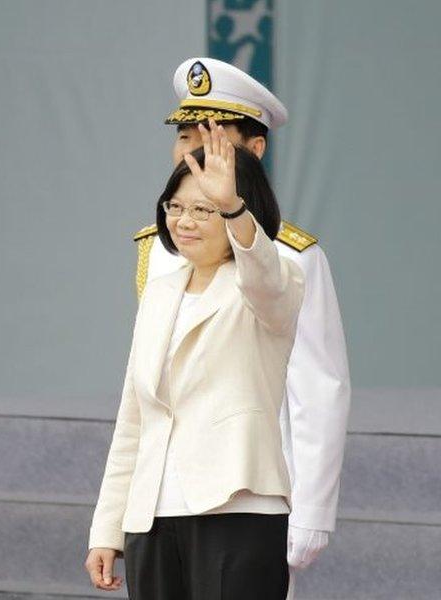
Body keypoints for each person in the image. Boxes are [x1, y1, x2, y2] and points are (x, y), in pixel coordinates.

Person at [134, 57, 351, 581]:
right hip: (165, 495)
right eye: (185, 137)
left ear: (254, 150)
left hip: (250, 489)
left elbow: (316, 386)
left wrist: (312, 508)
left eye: (211, 140)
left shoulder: (289, 257)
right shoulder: (158, 250)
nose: (192, 154)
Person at [86, 121, 304, 598]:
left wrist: (231, 206)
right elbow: (133, 418)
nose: (184, 221)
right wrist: (107, 529)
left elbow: (262, 275)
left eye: (203, 209)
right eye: (176, 206)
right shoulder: (161, 294)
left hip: (237, 509)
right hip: (152, 516)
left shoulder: (274, 280)